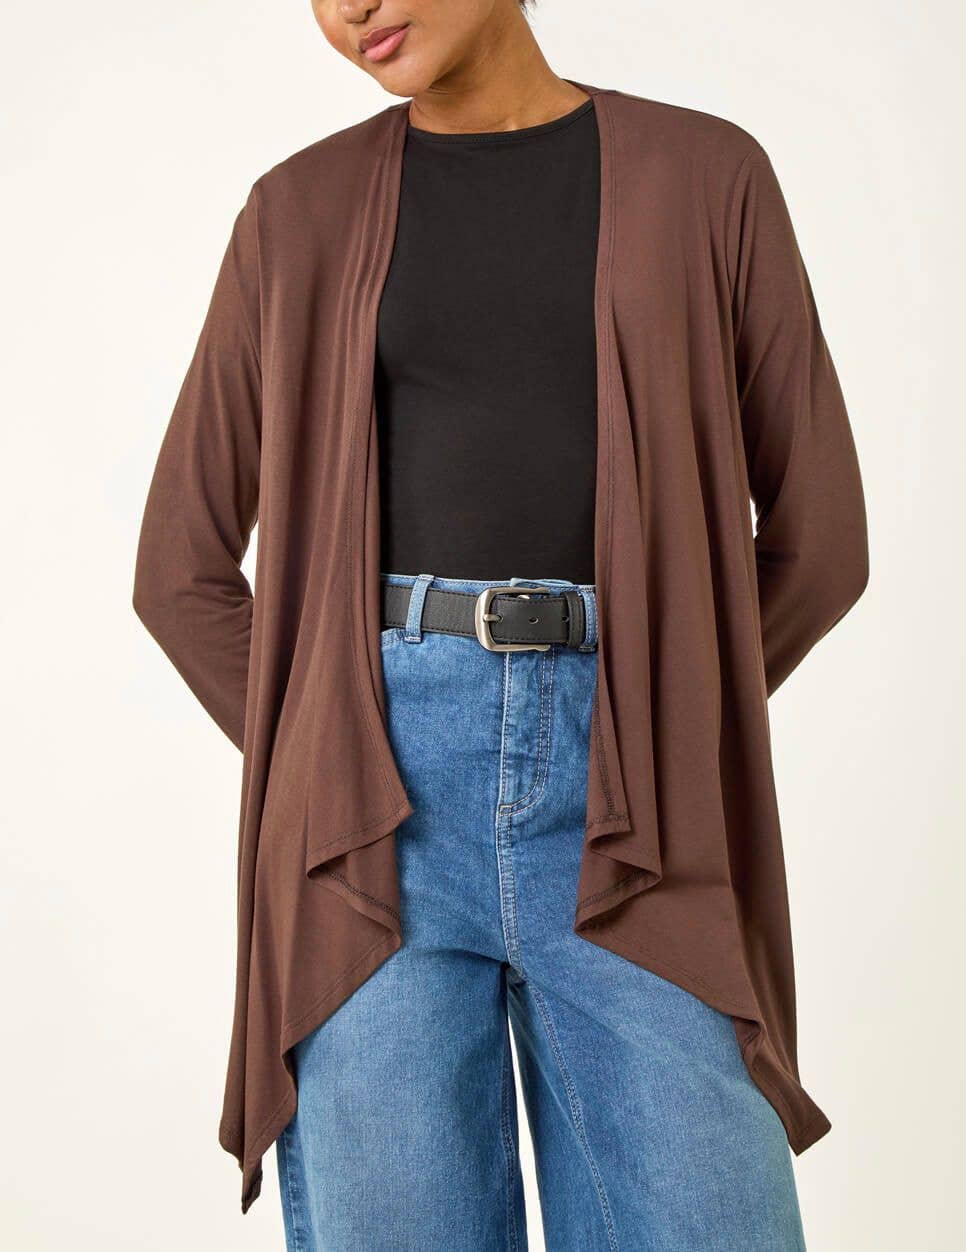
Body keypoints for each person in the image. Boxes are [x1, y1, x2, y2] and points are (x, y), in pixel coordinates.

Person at [132, 1, 869, 1247]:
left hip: (639, 821)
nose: (354, 4)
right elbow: (179, 570)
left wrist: (667, 727)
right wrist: (322, 757)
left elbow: (822, 540)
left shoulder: (707, 177)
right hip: (371, 828)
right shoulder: (295, 214)